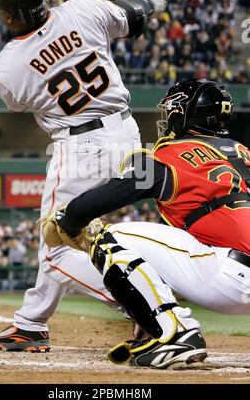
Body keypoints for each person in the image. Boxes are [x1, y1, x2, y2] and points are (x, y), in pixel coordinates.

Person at [0, 0, 167, 352]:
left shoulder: (7, 67)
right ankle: (31, 322)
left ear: (10, 15)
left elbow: (19, 100)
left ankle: (146, 305)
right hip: (128, 134)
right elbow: (128, 21)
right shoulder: (84, 9)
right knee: (70, 233)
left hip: (82, 147)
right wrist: (145, 7)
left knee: (57, 249)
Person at [47, 79, 250, 368]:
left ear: (183, 114)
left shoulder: (164, 153)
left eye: (172, 112)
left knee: (109, 236)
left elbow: (102, 199)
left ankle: (175, 333)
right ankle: (155, 320)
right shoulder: (243, 152)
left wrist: (68, 219)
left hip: (232, 276)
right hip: (231, 264)